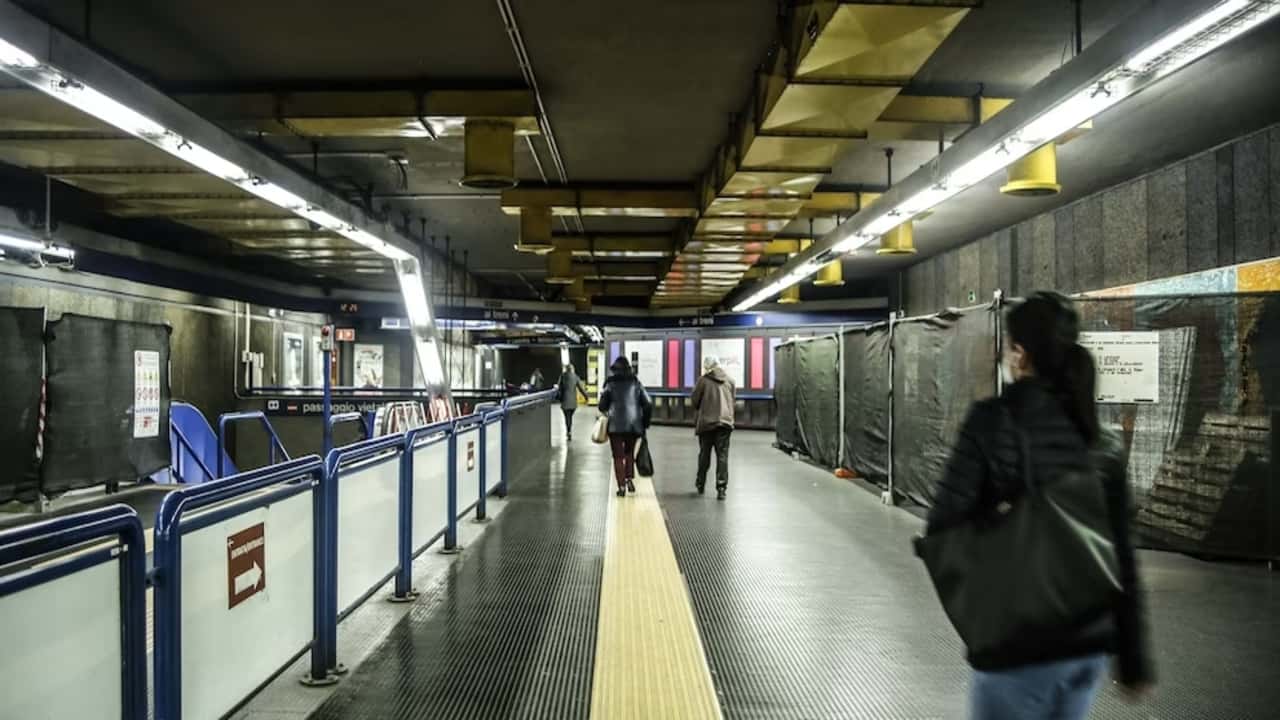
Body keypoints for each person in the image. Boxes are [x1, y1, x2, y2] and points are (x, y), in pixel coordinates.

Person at [925, 291, 1153, 720]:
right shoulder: (1099, 439)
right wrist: (1134, 654)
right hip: (1089, 644)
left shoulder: (992, 420)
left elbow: (944, 528)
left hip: (1019, 647)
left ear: (1020, 354)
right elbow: (1122, 553)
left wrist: (984, 613)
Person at [597, 356, 652, 498]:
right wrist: (644, 422)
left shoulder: (609, 384)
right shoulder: (636, 383)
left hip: (615, 425)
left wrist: (607, 406)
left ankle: (621, 487)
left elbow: (602, 406)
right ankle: (629, 480)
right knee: (629, 453)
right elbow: (648, 403)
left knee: (617, 456)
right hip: (633, 425)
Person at [690, 354, 735, 500]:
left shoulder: (703, 381)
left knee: (704, 455)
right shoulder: (730, 380)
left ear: (707, 367)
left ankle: (700, 484)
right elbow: (732, 400)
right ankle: (721, 489)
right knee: (722, 456)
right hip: (725, 423)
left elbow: (695, 401)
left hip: (707, 423)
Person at [556, 363, 588, 441]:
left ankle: (569, 430)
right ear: (572, 369)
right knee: (570, 416)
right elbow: (581, 388)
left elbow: (559, 388)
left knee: (567, 417)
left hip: (565, 401)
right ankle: (569, 430)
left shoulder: (562, 376)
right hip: (573, 402)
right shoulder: (575, 377)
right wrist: (586, 396)